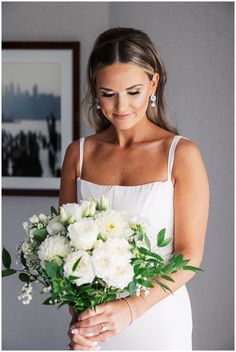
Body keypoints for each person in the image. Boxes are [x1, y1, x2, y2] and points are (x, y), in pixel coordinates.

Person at [59, 27, 209, 350]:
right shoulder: (78, 155)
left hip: (159, 320)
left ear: (153, 84)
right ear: (95, 91)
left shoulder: (181, 156)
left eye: (133, 91)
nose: (120, 106)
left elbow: (190, 256)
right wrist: (81, 320)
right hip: (96, 326)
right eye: (108, 94)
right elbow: (67, 253)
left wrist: (131, 308)